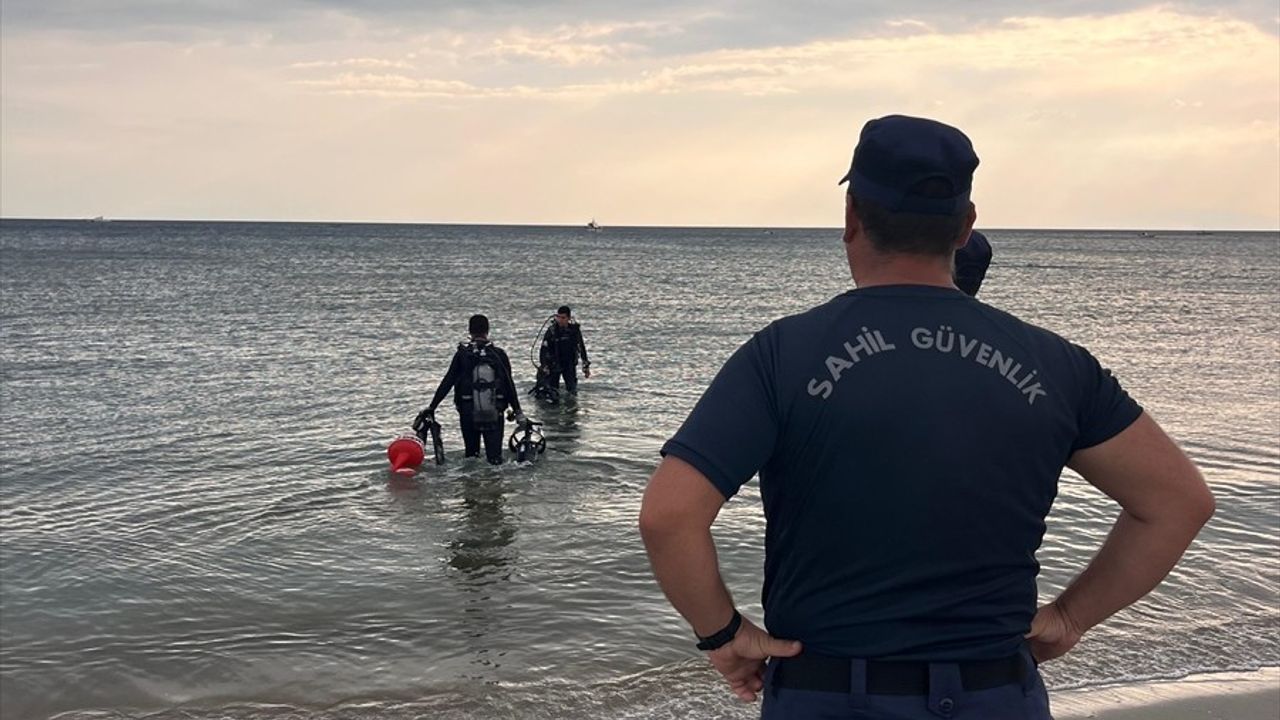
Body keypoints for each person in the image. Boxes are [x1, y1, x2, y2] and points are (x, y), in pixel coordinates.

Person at [638, 115, 1214, 719]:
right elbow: (1178, 502)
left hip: (828, 693)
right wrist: (1070, 617)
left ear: (851, 217)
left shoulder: (782, 354)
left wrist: (724, 634)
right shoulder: (1057, 365)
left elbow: (669, 515)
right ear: (966, 227)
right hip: (996, 693)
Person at [417, 314, 527, 465]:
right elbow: (509, 385)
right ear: (487, 330)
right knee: (495, 460)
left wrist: (432, 406)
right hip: (494, 412)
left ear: (470, 331)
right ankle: (495, 486)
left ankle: (471, 485)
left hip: (468, 411)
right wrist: (518, 412)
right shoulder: (499, 354)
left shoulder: (463, 355)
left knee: (471, 457)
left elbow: (448, 382)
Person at [538, 305, 592, 395]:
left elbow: (581, 347)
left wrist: (585, 365)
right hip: (554, 364)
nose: (560, 320)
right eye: (558, 317)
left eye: (563, 318)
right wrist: (544, 365)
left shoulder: (574, 331)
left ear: (568, 318)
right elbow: (543, 350)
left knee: (572, 392)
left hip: (569, 364)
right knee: (553, 392)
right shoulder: (552, 331)